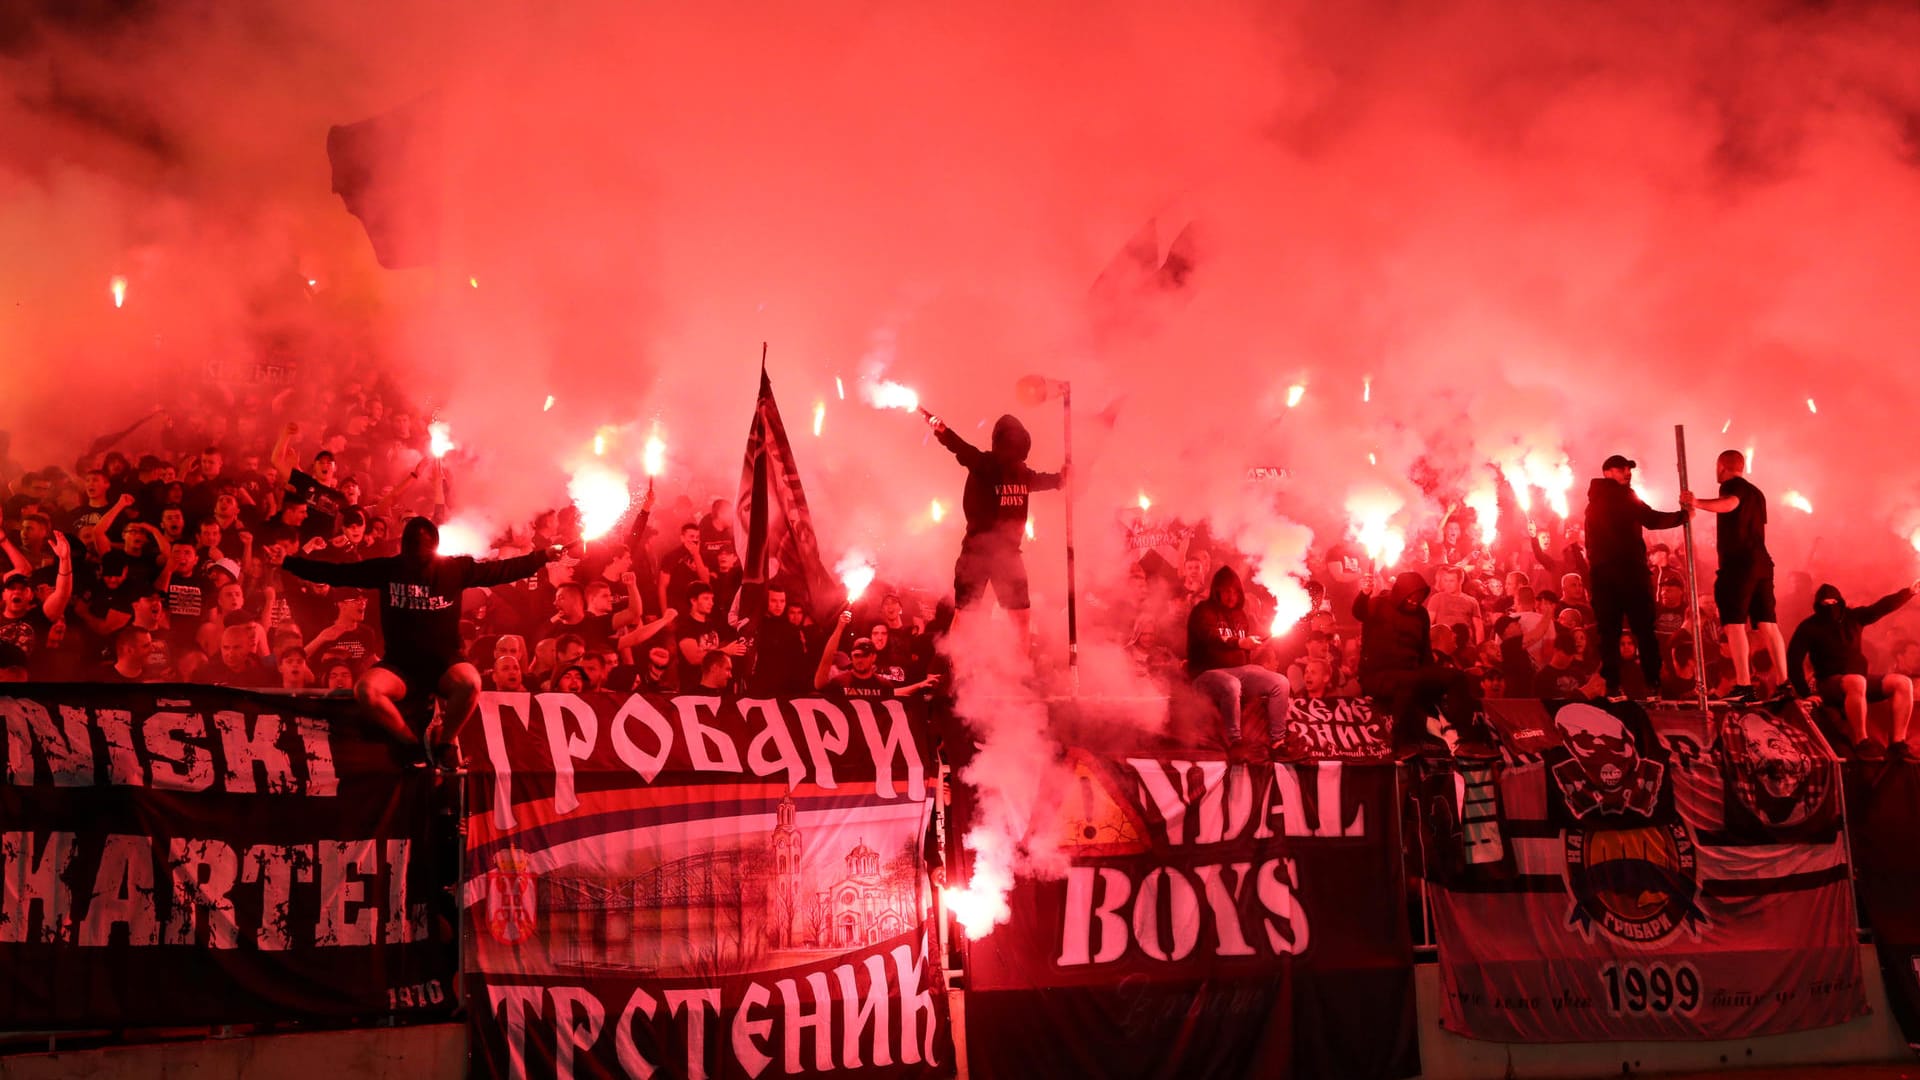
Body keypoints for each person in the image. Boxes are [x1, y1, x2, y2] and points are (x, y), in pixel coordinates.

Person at [280, 517, 568, 754]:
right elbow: (337, 573)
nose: (419, 549)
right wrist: (289, 563)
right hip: (400, 667)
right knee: (366, 690)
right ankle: (411, 743)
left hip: (444, 665)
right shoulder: (388, 569)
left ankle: (445, 742)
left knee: (470, 683)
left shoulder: (454, 569)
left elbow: (503, 570)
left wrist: (542, 556)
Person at [931, 413, 1064, 646]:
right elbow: (961, 449)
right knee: (967, 615)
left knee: (1021, 616)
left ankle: (1019, 674)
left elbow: (1044, 481)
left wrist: (1062, 479)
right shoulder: (985, 464)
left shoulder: (1021, 473)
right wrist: (943, 432)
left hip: (1008, 556)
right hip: (977, 552)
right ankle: (957, 669)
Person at [1681, 450, 1787, 702]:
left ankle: (1743, 684)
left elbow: (1730, 504)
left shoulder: (1733, 486)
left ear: (1722, 467)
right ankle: (1784, 683)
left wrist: (1696, 503)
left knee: (1734, 624)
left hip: (1738, 565)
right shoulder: (1757, 493)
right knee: (1768, 624)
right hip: (1762, 562)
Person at [1353, 570, 1494, 758]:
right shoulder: (1378, 604)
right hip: (1378, 675)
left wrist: (1434, 675)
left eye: (1419, 597)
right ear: (1401, 592)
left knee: (1456, 677)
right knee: (1408, 682)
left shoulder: (1421, 614)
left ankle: (1467, 741)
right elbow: (1359, 611)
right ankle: (1402, 743)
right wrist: (1364, 593)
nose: (1415, 601)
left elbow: (1424, 649)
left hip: (1412, 671)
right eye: (1411, 596)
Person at [1583, 454, 1689, 700]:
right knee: (1643, 629)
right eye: (1621, 469)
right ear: (1608, 472)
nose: (1627, 473)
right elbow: (1652, 519)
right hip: (1629, 573)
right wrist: (1682, 516)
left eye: (1628, 469)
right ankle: (1653, 684)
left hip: (1602, 576)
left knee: (1609, 632)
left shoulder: (1592, 503)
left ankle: (1612, 686)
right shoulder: (1623, 497)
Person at [1787, 582, 1918, 759]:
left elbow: (1880, 608)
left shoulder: (1854, 617)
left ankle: (1897, 744)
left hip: (1859, 681)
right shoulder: (1809, 627)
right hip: (1828, 683)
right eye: (1825, 604)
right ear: (1818, 605)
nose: (1829, 606)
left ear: (1840, 602)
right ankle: (1861, 742)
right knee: (1856, 681)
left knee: (1902, 683)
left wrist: (1908, 592)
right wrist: (1805, 693)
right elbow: (1793, 660)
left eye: (1833, 602)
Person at [1185, 567, 1294, 758]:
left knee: (1280, 682)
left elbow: (1243, 652)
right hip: (1206, 674)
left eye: (1235, 591)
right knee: (1231, 684)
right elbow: (1210, 636)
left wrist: (1255, 647)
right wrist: (1239, 642)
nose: (1231, 596)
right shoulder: (1202, 611)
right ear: (1216, 590)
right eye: (1226, 590)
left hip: (1239, 671)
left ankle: (1278, 742)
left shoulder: (1241, 616)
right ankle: (1235, 743)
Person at [814, 609, 942, 699]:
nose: (880, 638)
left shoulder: (886, 680)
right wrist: (840, 627)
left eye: (884, 633)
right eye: (875, 633)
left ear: (873, 658)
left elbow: (890, 693)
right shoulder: (845, 677)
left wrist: (921, 684)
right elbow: (820, 682)